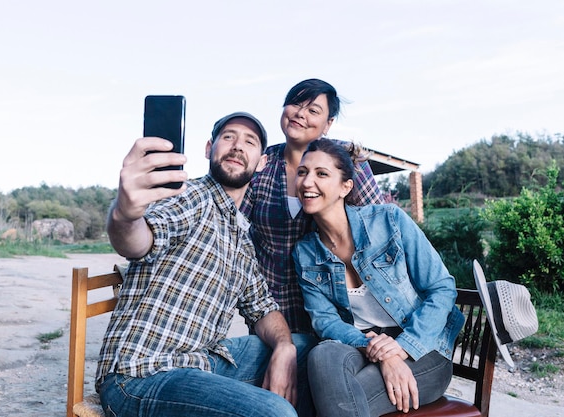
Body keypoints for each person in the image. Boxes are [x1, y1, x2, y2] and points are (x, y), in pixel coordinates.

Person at [96, 112, 316, 417]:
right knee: (274, 413)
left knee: (311, 350)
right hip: (139, 376)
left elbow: (263, 307)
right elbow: (139, 239)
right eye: (228, 137)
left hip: (200, 362)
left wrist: (284, 348)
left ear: (262, 162)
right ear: (209, 148)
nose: (238, 146)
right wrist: (125, 213)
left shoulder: (241, 234)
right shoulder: (191, 197)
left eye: (249, 141)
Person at [291, 138, 465, 416]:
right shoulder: (305, 252)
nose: (307, 182)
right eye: (303, 172)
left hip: (423, 347)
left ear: (345, 187)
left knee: (330, 397)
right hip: (361, 345)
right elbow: (326, 321)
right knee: (322, 355)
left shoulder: (389, 220)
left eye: (321, 174)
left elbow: (441, 288)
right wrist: (376, 349)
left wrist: (400, 349)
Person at [241, 79, 384, 335]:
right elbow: (236, 233)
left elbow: (379, 229)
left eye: (313, 110)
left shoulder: (347, 160)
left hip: (340, 313)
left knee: (330, 367)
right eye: (295, 103)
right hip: (275, 312)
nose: (300, 114)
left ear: (328, 124)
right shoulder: (261, 166)